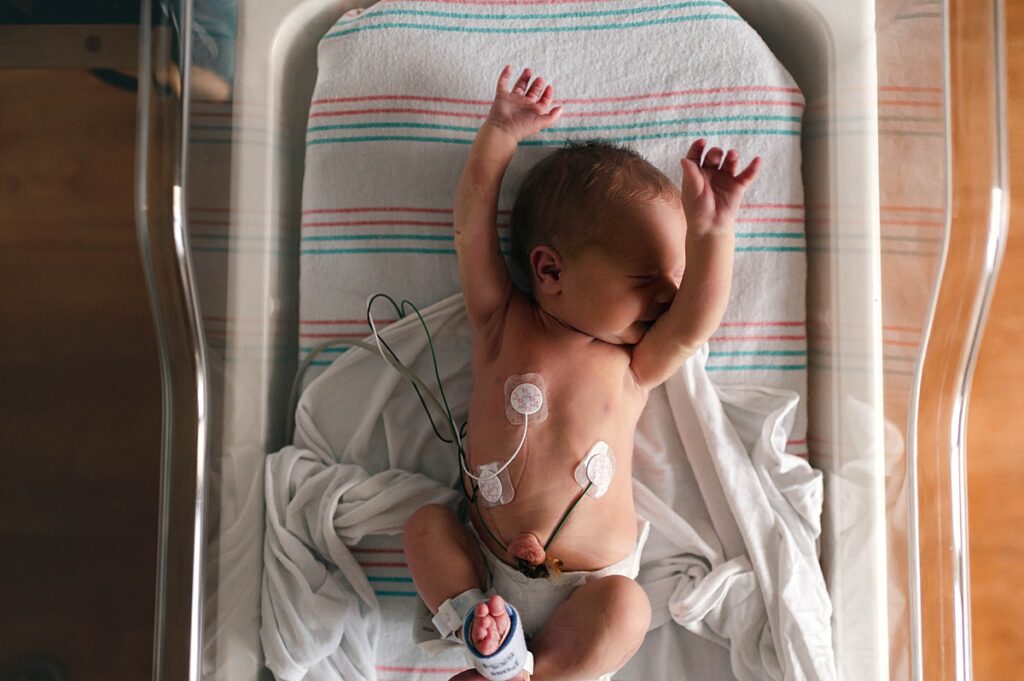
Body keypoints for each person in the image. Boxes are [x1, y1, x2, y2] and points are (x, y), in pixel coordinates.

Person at [403, 64, 761, 681]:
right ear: (550, 271)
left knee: (629, 608)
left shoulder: (633, 364)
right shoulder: (500, 321)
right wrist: (499, 136)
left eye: (674, 283)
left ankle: (527, 673)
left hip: (588, 587)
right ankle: (481, 631)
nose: (668, 299)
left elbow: (698, 320)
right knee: (424, 528)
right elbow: (470, 230)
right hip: (488, 566)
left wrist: (714, 233)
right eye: (647, 282)